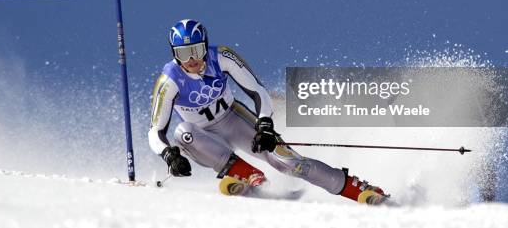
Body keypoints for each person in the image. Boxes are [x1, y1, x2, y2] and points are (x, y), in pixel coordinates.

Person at [148, 19, 388, 204]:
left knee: (289, 163)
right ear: (174, 54)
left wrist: (264, 124)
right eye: (183, 54)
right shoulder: (169, 81)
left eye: (197, 51)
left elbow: (257, 91)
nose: (191, 60)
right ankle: (246, 173)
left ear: (205, 46)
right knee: (182, 132)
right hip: (203, 136)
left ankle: (358, 189)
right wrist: (169, 155)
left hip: (234, 119)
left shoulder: (221, 57)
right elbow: (155, 132)